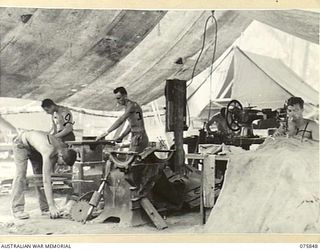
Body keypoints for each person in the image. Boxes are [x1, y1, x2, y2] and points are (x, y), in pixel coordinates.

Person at [11, 130, 77, 219]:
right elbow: (46, 181)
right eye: (62, 163)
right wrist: (52, 205)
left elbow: (49, 176)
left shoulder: (62, 147)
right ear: (60, 155)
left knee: (40, 175)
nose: (61, 166)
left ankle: (45, 208)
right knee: (21, 175)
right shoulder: (49, 150)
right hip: (21, 144)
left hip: (35, 148)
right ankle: (17, 209)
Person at [96, 87, 149, 153]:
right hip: (137, 137)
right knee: (133, 160)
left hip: (139, 137)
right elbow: (131, 125)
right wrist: (121, 137)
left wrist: (106, 132)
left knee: (131, 160)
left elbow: (121, 119)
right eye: (116, 99)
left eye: (119, 98)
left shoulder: (132, 106)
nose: (118, 101)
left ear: (125, 96)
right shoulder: (129, 107)